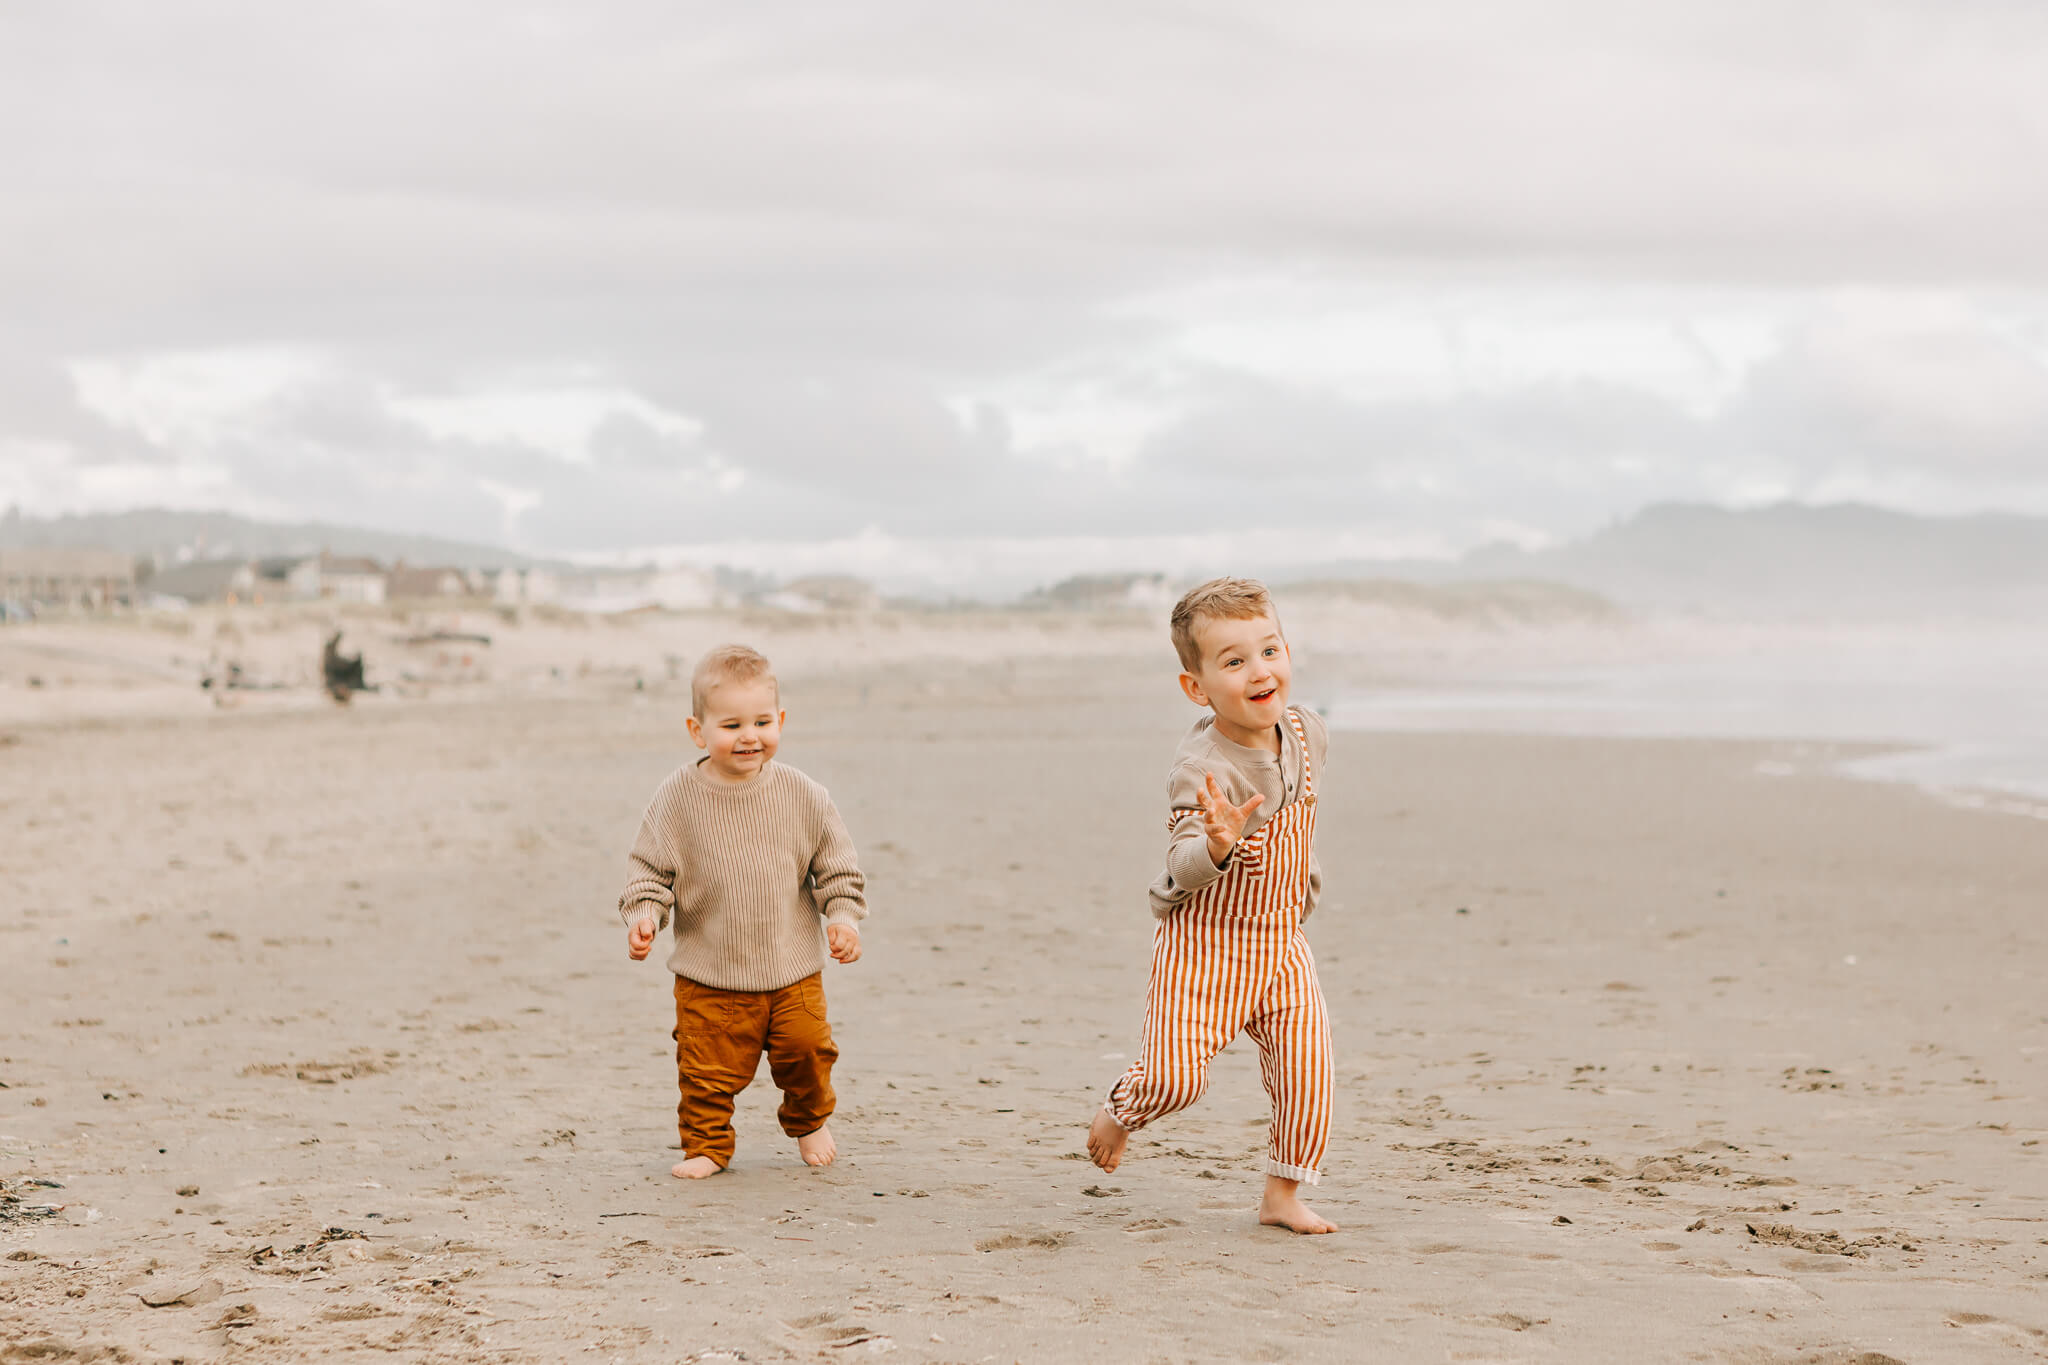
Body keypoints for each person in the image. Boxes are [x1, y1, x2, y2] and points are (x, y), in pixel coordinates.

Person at [1086, 577, 1338, 1234]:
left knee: (1309, 1072)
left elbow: (1302, 815)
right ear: (1196, 688)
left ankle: (1282, 1193)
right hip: (1207, 944)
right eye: (1234, 661)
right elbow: (1182, 863)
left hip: (1279, 940)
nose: (1260, 670)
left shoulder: (1308, 731)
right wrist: (1220, 843)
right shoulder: (1201, 766)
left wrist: (1303, 882)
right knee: (1176, 1081)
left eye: (1270, 649)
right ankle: (1123, 1107)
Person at [620, 643, 867, 1178]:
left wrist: (842, 918)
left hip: (792, 968)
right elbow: (650, 870)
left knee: (807, 1052)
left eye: (761, 722)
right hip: (708, 974)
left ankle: (809, 1119)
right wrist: (644, 914)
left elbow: (837, 867)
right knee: (704, 1069)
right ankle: (707, 1145)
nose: (749, 736)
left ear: (780, 720)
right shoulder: (677, 798)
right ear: (697, 730)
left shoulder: (804, 795)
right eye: (731, 725)